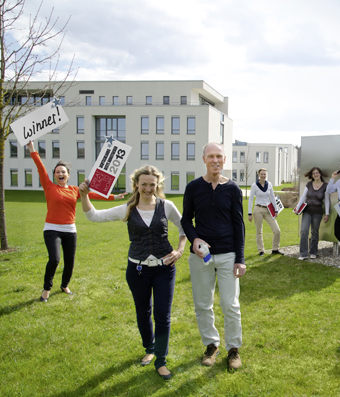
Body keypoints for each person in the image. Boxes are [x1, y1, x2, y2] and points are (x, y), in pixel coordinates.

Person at [79, 166, 186, 380]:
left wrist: (179, 250)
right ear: (136, 184)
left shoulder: (167, 206)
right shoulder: (128, 208)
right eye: (143, 184)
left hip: (164, 270)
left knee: (162, 316)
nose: (148, 188)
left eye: (152, 184)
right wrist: (84, 195)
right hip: (137, 270)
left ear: (158, 185)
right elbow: (94, 216)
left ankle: (161, 360)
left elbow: (184, 228)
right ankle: (149, 347)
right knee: (143, 311)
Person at [27, 140, 125, 303]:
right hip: (52, 229)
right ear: (54, 175)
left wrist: (114, 196)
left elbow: (92, 194)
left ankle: (65, 285)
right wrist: (32, 149)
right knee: (55, 259)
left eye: (63, 172)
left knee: (70, 261)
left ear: (68, 175)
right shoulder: (49, 187)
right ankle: (46, 289)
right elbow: (40, 167)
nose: (60, 174)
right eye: (58, 172)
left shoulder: (74, 190)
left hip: (70, 230)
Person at [181, 142, 246, 370]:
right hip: (201, 257)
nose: (215, 160)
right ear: (204, 159)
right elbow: (185, 220)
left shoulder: (233, 189)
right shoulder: (193, 187)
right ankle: (211, 345)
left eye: (219, 156)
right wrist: (194, 239)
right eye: (211, 156)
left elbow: (239, 226)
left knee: (231, 304)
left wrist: (241, 259)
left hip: (228, 254)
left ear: (225, 160)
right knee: (202, 304)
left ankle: (233, 349)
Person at [294, 167, 330, 260]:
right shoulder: (309, 184)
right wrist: (297, 208)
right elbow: (303, 197)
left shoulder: (325, 186)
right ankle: (303, 254)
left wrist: (327, 214)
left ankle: (313, 252)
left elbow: (326, 200)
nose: (316, 174)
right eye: (314, 173)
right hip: (307, 211)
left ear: (320, 174)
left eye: (317, 173)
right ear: (312, 175)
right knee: (304, 231)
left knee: (314, 232)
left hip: (317, 212)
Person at [248, 168, 283, 255]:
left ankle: (275, 249)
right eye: (262, 174)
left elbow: (273, 197)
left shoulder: (269, 184)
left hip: (268, 210)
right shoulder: (254, 186)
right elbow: (251, 200)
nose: (263, 175)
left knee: (277, 230)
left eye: (265, 174)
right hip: (258, 209)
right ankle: (261, 250)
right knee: (259, 231)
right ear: (258, 175)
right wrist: (249, 213)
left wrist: (276, 210)